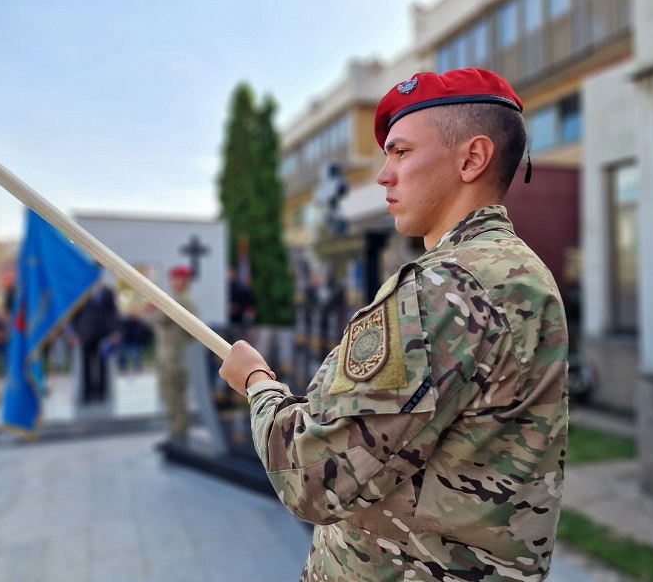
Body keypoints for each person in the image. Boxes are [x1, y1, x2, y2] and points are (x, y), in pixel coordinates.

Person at [219, 68, 569, 581]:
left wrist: (257, 384)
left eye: (401, 152)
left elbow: (313, 477)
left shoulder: (444, 287)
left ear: (472, 158)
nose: (384, 174)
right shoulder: (522, 272)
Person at [146, 265, 197, 442]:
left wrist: (149, 309)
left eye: (176, 279)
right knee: (172, 397)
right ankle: (177, 433)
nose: (172, 282)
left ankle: (179, 435)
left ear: (184, 281)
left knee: (175, 398)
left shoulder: (181, 301)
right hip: (172, 358)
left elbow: (158, 318)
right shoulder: (181, 299)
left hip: (175, 359)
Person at [71, 278, 119, 404]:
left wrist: (113, 331)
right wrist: (74, 332)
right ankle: (87, 392)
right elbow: (75, 313)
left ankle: (102, 392)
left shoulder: (107, 292)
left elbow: (112, 312)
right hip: (85, 333)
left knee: (102, 364)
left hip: (103, 333)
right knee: (86, 364)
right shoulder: (81, 290)